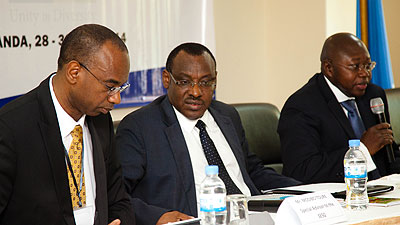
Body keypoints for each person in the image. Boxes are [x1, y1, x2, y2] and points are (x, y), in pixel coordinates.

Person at [116, 42, 300, 225]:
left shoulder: (227, 116)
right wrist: (155, 216)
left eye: (205, 82)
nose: (196, 92)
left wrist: (302, 192)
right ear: (166, 79)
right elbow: (117, 195)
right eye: (185, 82)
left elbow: (251, 171)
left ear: (215, 80)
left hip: (254, 217)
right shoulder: (140, 127)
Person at [0, 24, 135, 225]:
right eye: (110, 86)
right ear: (74, 72)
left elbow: (118, 199)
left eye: (121, 87)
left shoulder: (100, 120)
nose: (117, 99)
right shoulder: (11, 128)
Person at [278, 32, 400, 184]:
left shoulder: (373, 95)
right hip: (336, 198)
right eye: (355, 67)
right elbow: (302, 171)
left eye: (368, 65)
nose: (365, 74)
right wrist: (361, 151)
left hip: (384, 192)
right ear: (329, 68)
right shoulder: (301, 107)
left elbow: (390, 155)